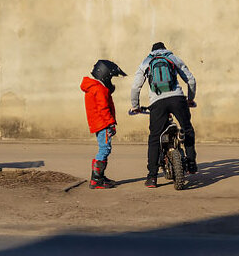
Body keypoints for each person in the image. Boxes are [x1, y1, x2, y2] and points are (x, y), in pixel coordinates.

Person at [130, 41, 197, 188]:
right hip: (177, 99)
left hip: (157, 103)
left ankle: (152, 177)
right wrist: (190, 99)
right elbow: (191, 80)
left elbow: (135, 87)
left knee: (154, 138)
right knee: (187, 128)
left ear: (151, 51)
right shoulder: (173, 58)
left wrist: (135, 107)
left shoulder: (146, 62)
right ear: (165, 49)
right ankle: (191, 163)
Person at [81, 59, 126, 189]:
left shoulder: (93, 87)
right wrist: (111, 124)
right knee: (104, 149)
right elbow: (103, 109)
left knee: (104, 148)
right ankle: (96, 179)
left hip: (98, 123)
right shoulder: (99, 89)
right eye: (110, 76)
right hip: (103, 124)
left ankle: (99, 177)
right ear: (104, 74)